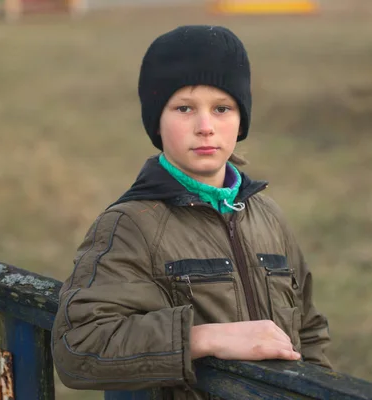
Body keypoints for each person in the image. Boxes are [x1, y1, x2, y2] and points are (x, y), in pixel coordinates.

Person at [51, 25, 331, 399]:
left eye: (222, 108)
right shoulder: (132, 225)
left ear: (241, 119)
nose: (205, 127)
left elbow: (309, 330)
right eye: (184, 108)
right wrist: (203, 337)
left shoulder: (267, 216)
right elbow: (79, 346)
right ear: (157, 121)